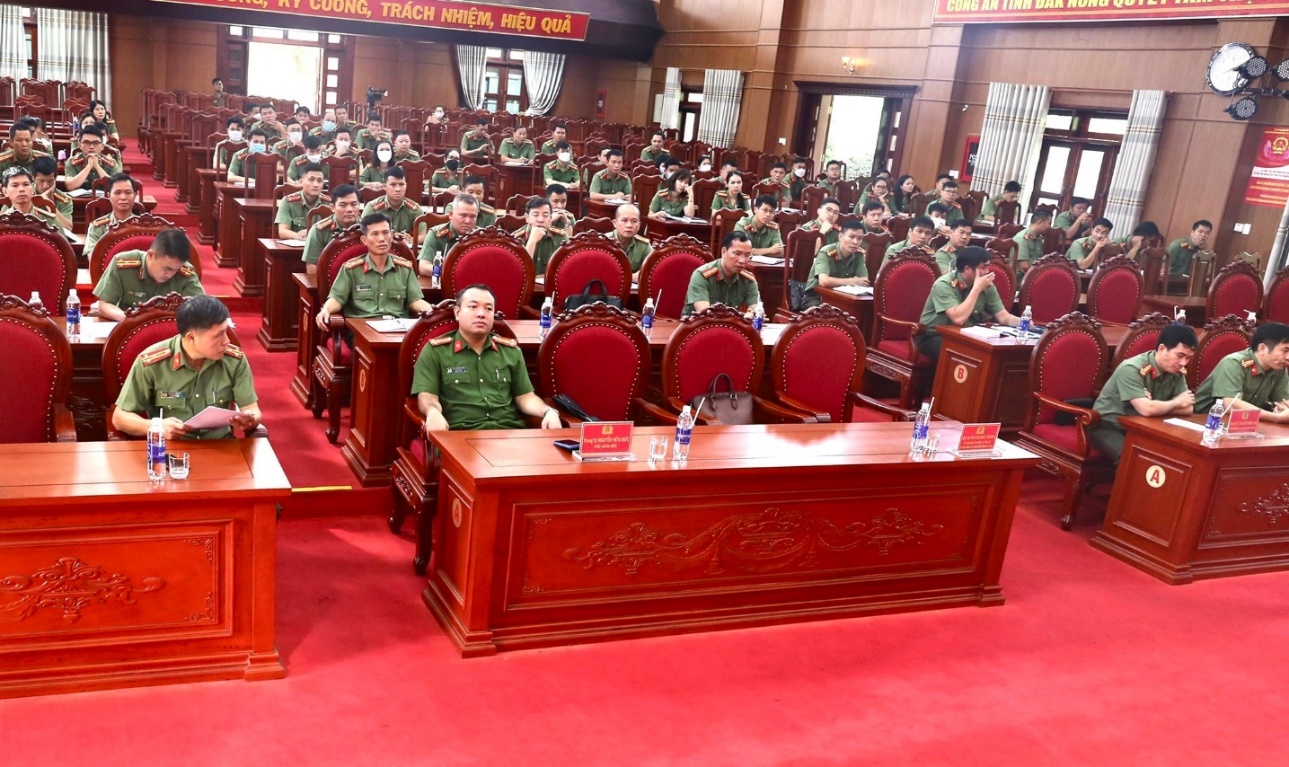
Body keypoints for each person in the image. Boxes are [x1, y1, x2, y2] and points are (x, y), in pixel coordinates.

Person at [413, 284, 561, 433]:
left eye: (488, 309)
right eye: (473, 307)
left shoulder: (510, 351)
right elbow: (427, 397)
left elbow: (526, 397)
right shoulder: (436, 351)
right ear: (457, 312)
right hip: (460, 433)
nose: (481, 314)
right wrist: (433, 412)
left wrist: (549, 412)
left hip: (508, 433)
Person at [113, 295, 261, 440]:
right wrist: (157, 426)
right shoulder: (152, 363)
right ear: (191, 337)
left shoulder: (234, 360)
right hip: (171, 448)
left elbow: (252, 409)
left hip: (220, 446)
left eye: (226, 331)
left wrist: (251, 419)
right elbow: (119, 418)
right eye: (218, 335)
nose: (226, 341)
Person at [1089, 323, 1198, 463]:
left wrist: (1155, 407)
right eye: (1180, 355)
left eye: (1188, 358)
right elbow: (1147, 410)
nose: (1183, 363)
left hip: (1144, 428)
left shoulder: (1176, 372)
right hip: (1108, 427)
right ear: (1162, 349)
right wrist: (1176, 402)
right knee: (1132, 457)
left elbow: (1188, 409)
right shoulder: (1132, 368)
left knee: (1176, 455)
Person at [315, 212, 431, 330]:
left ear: (391, 236)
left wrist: (434, 312)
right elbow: (337, 298)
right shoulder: (351, 269)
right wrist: (326, 310)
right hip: (362, 329)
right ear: (364, 240)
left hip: (397, 328)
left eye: (385, 233)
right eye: (375, 234)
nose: (381, 239)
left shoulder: (405, 268)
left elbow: (415, 301)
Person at [914, 246, 1020, 365]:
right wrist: (976, 289)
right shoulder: (945, 284)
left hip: (966, 336)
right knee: (967, 355)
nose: (987, 272)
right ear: (967, 269)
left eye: (987, 267)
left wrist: (1024, 323)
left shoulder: (987, 286)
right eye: (983, 267)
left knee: (997, 356)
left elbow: (1003, 317)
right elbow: (958, 319)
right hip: (933, 336)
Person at [92, 229, 204, 321]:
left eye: (175, 270)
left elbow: (200, 309)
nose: (170, 275)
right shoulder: (123, 264)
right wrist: (131, 321)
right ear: (150, 255)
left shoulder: (186, 272)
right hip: (128, 331)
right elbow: (104, 305)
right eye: (167, 269)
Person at [1194, 322, 1289, 423]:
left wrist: (1282, 410)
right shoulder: (1234, 363)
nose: (1288, 357)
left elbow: (1284, 402)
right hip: (1203, 421)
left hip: (1244, 423)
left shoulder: (1278, 368)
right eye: (1285, 350)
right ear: (1262, 349)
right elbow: (1230, 405)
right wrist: (1276, 417)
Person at [684, 231, 761, 315]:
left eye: (747, 255)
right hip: (697, 323)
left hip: (731, 323)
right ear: (723, 252)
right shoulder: (702, 276)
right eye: (737, 254)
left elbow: (757, 311)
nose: (742, 261)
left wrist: (755, 314)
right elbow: (704, 315)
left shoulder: (748, 280)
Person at [801, 219, 870, 309]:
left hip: (842, 298)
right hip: (816, 298)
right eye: (851, 237)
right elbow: (824, 281)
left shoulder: (859, 254)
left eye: (859, 238)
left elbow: (864, 280)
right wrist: (852, 281)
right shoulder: (826, 252)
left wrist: (835, 282)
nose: (855, 242)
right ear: (840, 236)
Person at [302, 184, 363, 274]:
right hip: (329, 279)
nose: (349, 209)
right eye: (343, 205)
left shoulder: (367, 228)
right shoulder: (319, 230)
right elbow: (312, 267)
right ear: (333, 208)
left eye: (354, 204)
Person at [419, 193, 478, 276]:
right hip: (444, 281)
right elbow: (423, 267)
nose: (468, 221)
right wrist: (452, 272)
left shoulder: (482, 236)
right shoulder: (436, 234)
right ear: (451, 215)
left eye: (472, 216)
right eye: (463, 215)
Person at [361, 166, 421, 246]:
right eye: (393, 185)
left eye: (401, 184)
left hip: (406, 248)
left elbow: (423, 234)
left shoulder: (414, 208)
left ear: (406, 186)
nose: (398, 189)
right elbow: (363, 233)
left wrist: (412, 240)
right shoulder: (372, 208)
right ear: (384, 187)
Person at [84, 174, 141, 252]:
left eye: (128, 192)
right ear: (109, 196)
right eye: (117, 193)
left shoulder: (142, 226)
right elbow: (92, 256)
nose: (123, 197)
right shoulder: (98, 227)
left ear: (134, 195)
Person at [513, 197, 567, 276]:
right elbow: (519, 272)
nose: (540, 220)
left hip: (549, 282)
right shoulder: (515, 239)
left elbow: (567, 269)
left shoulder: (561, 238)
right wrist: (532, 241)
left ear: (550, 219)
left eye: (545, 215)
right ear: (527, 218)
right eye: (535, 215)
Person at [272, 164, 327, 241]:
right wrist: (302, 237)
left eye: (319, 181)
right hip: (295, 246)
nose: (316, 185)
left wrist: (311, 234)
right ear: (301, 181)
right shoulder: (288, 202)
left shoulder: (329, 203)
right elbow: (283, 232)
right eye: (311, 180)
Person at [0, 167, 63, 231]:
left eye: (26, 184)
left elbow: (60, 237)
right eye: (15, 185)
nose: (21, 189)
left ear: (32, 189)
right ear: (5, 192)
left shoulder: (49, 220)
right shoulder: (2, 220)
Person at [64, 124, 120, 191]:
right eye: (86, 142)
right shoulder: (72, 162)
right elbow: (70, 186)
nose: (91, 147)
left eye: (96, 143)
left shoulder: (111, 163)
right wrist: (89, 166)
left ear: (102, 146)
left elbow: (115, 187)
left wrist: (97, 166)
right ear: (80, 145)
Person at [610, 204, 652, 279]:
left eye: (634, 221)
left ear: (639, 225)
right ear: (614, 223)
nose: (629, 225)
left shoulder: (644, 245)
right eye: (624, 220)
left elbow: (653, 268)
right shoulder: (603, 242)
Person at [31, 156, 73, 230]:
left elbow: (68, 227)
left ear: (55, 178)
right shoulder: (24, 195)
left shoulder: (64, 200)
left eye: (50, 181)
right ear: (33, 178)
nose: (46, 185)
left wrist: (48, 203)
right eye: (41, 181)